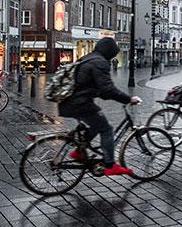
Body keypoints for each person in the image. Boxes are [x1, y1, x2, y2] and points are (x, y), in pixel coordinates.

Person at [58, 38, 141, 176]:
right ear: (108, 52)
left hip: (70, 102)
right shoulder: (100, 62)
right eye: (113, 54)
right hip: (79, 103)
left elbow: (98, 88)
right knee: (106, 129)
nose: (113, 57)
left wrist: (107, 95)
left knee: (96, 125)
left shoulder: (88, 58)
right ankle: (110, 165)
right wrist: (129, 98)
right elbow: (108, 89)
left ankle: (78, 151)